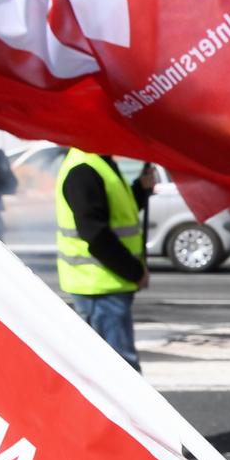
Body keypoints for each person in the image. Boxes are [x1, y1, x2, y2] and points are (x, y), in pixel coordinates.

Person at [55, 148, 151, 369]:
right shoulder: (84, 170)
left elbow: (115, 214)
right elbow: (96, 235)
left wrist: (140, 190)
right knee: (120, 370)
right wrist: (135, 271)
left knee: (111, 369)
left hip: (105, 285)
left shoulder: (99, 163)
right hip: (99, 288)